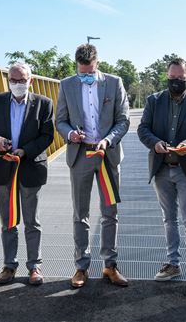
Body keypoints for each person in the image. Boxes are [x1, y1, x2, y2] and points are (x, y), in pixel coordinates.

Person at [55, 44, 130, 288]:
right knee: (81, 213)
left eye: (88, 71)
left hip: (107, 155)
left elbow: (123, 120)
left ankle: (110, 265)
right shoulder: (66, 85)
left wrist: (108, 140)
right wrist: (70, 135)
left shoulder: (114, 82)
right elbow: (61, 121)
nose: (84, 76)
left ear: (97, 64)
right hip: (81, 156)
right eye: (81, 72)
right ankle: (81, 267)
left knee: (110, 213)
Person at [137, 58, 186, 295]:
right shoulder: (154, 100)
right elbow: (143, 129)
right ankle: (173, 264)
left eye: (179, 79)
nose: (175, 83)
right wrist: (155, 143)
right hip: (162, 168)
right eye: (171, 79)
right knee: (168, 218)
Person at [0, 63, 54, 286]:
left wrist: (26, 151)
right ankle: (9, 266)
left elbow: (47, 136)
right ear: (8, 81)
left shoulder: (44, 103)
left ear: (30, 80)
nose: (18, 84)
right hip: (4, 168)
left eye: (22, 80)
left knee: (32, 221)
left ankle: (34, 266)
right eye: (14, 80)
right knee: (8, 221)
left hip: (30, 167)